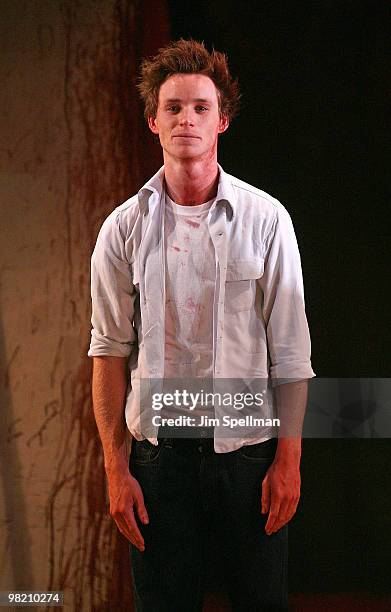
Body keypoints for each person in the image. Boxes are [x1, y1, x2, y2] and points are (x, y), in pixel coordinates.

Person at [87, 39, 315, 612]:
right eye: (172, 107)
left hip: (248, 457)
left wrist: (288, 462)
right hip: (159, 462)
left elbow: (290, 353)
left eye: (200, 107)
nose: (186, 118)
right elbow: (108, 351)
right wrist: (117, 470)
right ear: (152, 121)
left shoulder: (266, 220)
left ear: (223, 121)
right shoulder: (122, 230)